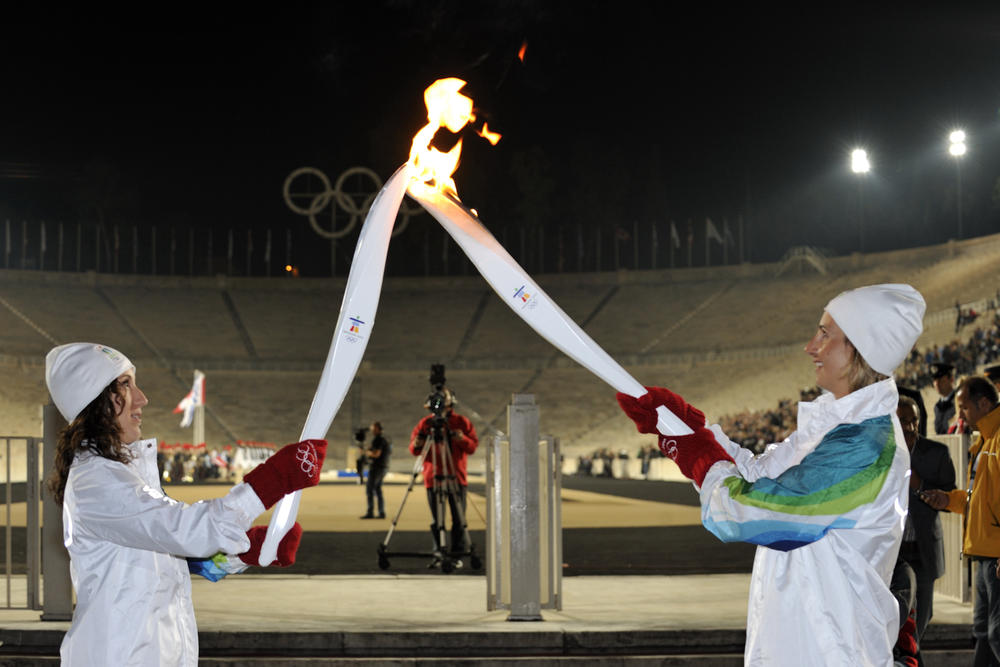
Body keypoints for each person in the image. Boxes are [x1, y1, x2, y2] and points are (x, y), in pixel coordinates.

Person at [617, 284, 925, 666]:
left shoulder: (866, 444)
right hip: (801, 638)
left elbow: (758, 513)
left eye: (825, 334)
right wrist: (688, 429)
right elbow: (757, 474)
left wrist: (702, 457)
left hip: (832, 648)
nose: (810, 346)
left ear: (861, 349)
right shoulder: (836, 423)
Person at [45, 342, 327, 666]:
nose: (141, 398)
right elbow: (185, 530)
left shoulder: (121, 474)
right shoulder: (97, 482)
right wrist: (274, 479)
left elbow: (171, 558)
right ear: (93, 402)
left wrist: (243, 552)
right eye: (125, 385)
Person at [921, 376, 1000, 666]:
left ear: (983, 403)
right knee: (983, 632)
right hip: (984, 555)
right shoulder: (985, 442)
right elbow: (979, 499)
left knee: (996, 634)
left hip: (996, 556)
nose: (959, 415)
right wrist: (948, 500)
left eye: (964, 407)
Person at [896, 395, 956, 644]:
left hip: (923, 552)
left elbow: (951, 499)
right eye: (902, 421)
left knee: (921, 620)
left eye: (914, 421)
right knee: (894, 621)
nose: (910, 427)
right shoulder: (876, 455)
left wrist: (920, 485)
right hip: (890, 555)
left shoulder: (937, 453)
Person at [409, 388, 478, 556]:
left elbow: (472, 447)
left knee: (459, 519)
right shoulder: (425, 424)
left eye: (443, 397)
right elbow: (414, 450)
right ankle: (438, 550)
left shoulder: (461, 422)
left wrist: (462, 439)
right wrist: (418, 443)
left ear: (450, 400)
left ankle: (457, 553)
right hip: (433, 478)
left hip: (456, 477)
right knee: (436, 520)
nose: (439, 401)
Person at [360, 421, 391, 519]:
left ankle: (370, 512)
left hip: (377, 468)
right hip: (382, 467)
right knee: (377, 489)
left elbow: (376, 454)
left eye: (373, 428)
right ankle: (381, 512)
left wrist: (366, 452)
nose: (371, 430)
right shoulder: (382, 440)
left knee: (370, 489)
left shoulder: (379, 440)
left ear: (377, 428)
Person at [931, 362, 957, 435]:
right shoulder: (937, 407)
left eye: (940, 379)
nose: (937, 383)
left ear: (951, 379)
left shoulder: (959, 402)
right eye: (934, 380)